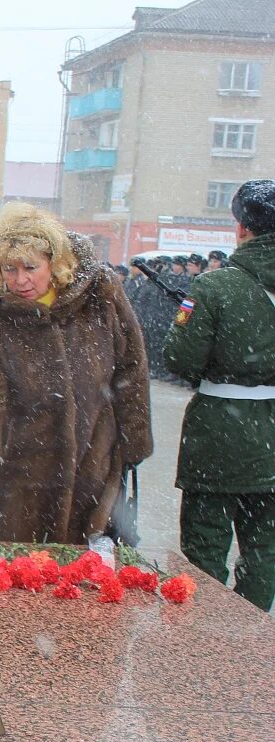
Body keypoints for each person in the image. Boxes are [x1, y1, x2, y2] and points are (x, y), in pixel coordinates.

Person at [0, 202, 152, 547]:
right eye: (9, 269)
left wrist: (133, 449)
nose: (20, 281)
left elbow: (131, 371)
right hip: (19, 472)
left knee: (84, 582)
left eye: (30, 268)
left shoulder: (101, 295)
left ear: (55, 262)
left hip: (92, 461)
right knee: (18, 582)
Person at [162, 180, 275, 612]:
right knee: (264, 551)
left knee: (205, 547)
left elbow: (180, 357)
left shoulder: (215, 287)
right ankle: (254, 638)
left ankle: (209, 644)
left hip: (219, 434)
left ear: (242, 228)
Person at [125, 258, 178, 381]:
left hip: (157, 318)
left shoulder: (160, 282)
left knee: (157, 345)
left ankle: (159, 369)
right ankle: (152, 368)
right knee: (147, 345)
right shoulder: (144, 282)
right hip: (146, 318)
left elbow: (159, 302)